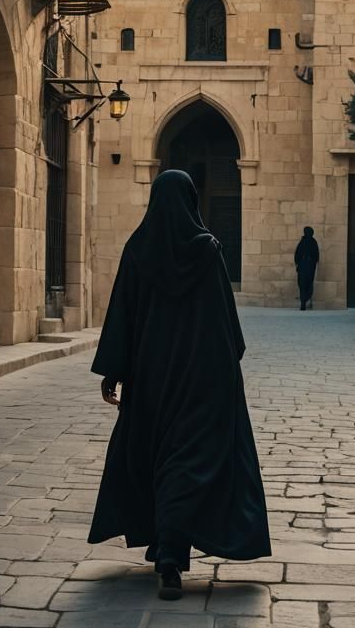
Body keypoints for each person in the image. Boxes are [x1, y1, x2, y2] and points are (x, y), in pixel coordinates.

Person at [88, 170, 271, 601]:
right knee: (189, 461)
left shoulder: (137, 250)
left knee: (160, 458)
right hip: (202, 381)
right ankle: (169, 551)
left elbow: (122, 317)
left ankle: (167, 548)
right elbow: (229, 330)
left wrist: (114, 370)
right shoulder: (208, 252)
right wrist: (226, 377)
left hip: (152, 381)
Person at [294, 227, 320, 311]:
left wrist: (299, 262)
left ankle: (304, 302)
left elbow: (297, 254)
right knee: (305, 284)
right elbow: (316, 256)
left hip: (305, 265)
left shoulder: (307, 242)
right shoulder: (312, 242)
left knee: (304, 284)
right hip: (306, 265)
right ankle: (304, 302)